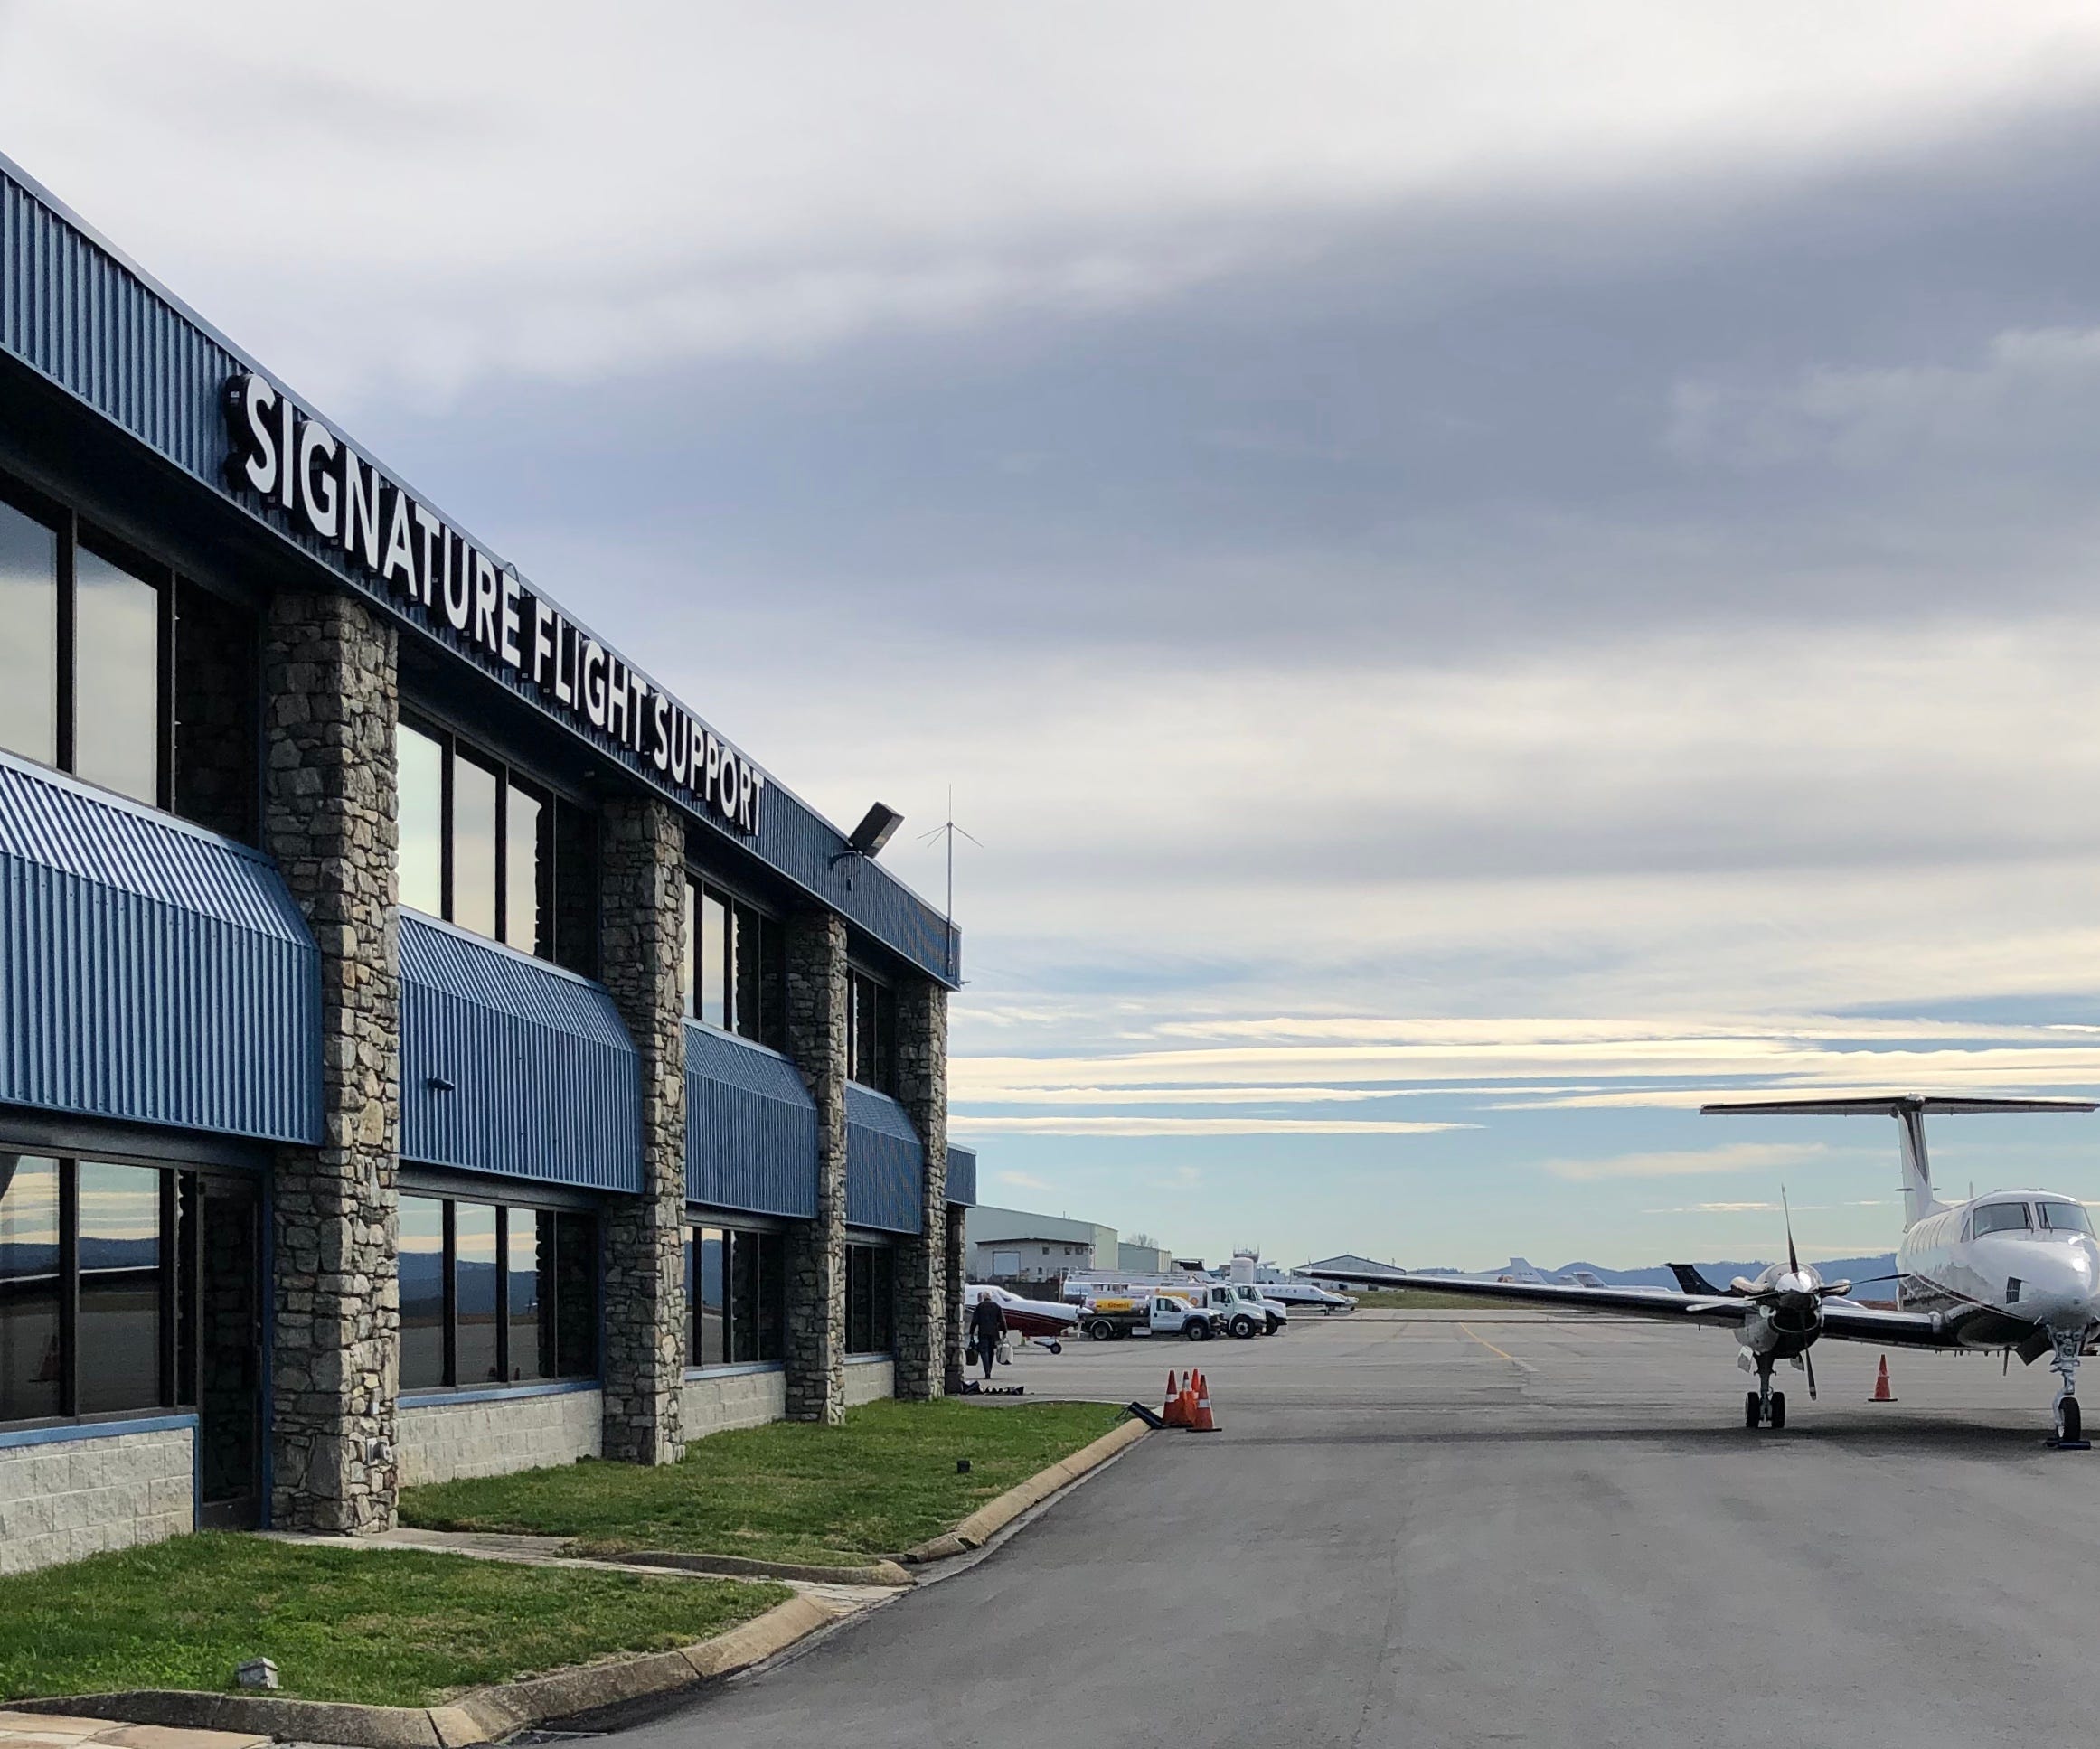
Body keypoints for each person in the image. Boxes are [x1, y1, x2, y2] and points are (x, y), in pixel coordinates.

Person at [968, 1293, 1007, 1382]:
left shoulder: (979, 1307)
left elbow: (974, 1321)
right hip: (994, 1333)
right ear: (991, 1297)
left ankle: (987, 1371)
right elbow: (1002, 1320)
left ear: (983, 1298)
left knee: (983, 1351)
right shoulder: (996, 1306)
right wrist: (1005, 1331)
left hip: (983, 1332)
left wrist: (971, 1332)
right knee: (991, 1352)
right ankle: (989, 1369)